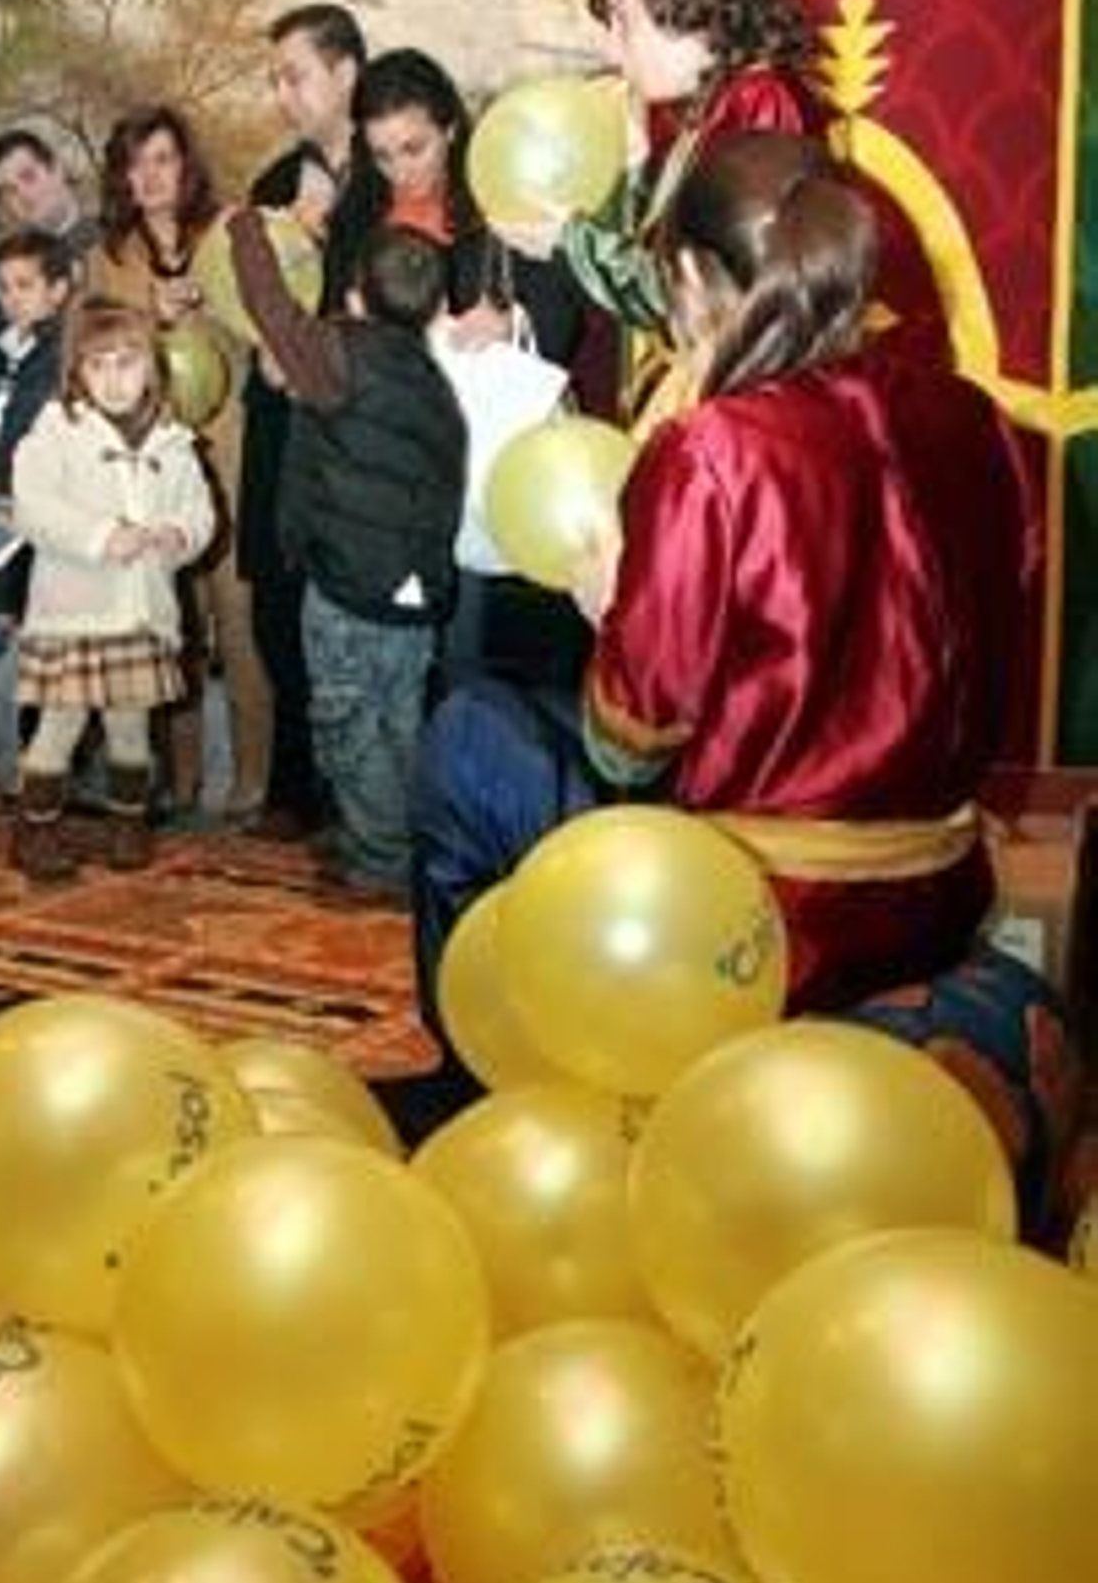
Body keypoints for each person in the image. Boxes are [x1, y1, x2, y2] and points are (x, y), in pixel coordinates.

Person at [382, 131, 1063, 1177]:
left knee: (466, 735)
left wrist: (613, 607)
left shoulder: (716, 448)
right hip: (941, 882)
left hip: (765, 909)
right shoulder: (976, 422)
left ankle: (485, 1078)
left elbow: (627, 743)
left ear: (698, 277)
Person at [326, 47, 593, 692]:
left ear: (450, 128)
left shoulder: (499, 201)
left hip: (484, 466)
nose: (400, 172)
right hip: (391, 466)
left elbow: (560, 307)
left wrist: (511, 322)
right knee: (395, 671)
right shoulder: (358, 217)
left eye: (414, 149)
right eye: (382, 155)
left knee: (471, 654)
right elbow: (331, 325)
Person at [228, 208, 466, 906]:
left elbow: (271, 309)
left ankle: (378, 862)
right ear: (435, 309)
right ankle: (396, 840)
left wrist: (246, 231)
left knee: (348, 723)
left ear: (356, 296)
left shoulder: (342, 358)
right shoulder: (432, 381)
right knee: (400, 720)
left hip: (349, 585)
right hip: (417, 589)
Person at [498, 0, 821, 344]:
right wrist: (636, 166)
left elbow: (712, 296)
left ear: (695, 17)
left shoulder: (762, 101)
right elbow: (659, 254)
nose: (611, 50)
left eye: (623, 23)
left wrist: (569, 240)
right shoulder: (711, 109)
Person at [92, 105, 272, 825]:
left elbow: (267, 333)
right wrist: (149, 312)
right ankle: (183, 777)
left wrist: (208, 312)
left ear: (186, 165)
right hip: (150, 467)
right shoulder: (110, 254)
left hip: (230, 455)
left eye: (163, 159)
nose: (150, 176)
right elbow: (94, 349)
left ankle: (253, 784)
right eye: (135, 164)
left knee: (240, 622)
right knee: (172, 625)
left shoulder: (230, 233)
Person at [8, 295, 216, 881]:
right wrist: (100, 536)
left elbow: (199, 512)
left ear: (151, 366)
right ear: (77, 372)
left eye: (127, 363)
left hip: (141, 613)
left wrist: (180, 534)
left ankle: (128, 823)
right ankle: (34, 828)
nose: (113, 379)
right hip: (73, 613)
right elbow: (33, 507)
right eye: (97, 365)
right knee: (61, 724)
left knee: (132, 726)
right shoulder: (57, 430)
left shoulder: (173, 441)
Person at [241, 2, 367, 839]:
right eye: (275, 80)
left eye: (297, 76)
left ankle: (365, 802)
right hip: (279, 424)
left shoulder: (390, 177)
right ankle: (292, 790)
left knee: (353, 611)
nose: (283, 94)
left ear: (346, 71)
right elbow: (247, 297)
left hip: (355, 432)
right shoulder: (272, 186)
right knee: (276, 609)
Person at [0, 228, 78, 799]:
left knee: (38, 644)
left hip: (40, 516)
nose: (12, 298)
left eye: (25, 285)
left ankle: (42, 765)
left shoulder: (64, 357)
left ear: (58, 290)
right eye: (4, 287)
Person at [0, 126, 98, 261]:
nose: (23, 195)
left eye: (28, 177)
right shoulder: (9, 264)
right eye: (10, 190)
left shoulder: (112, 235)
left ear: (57, 169)